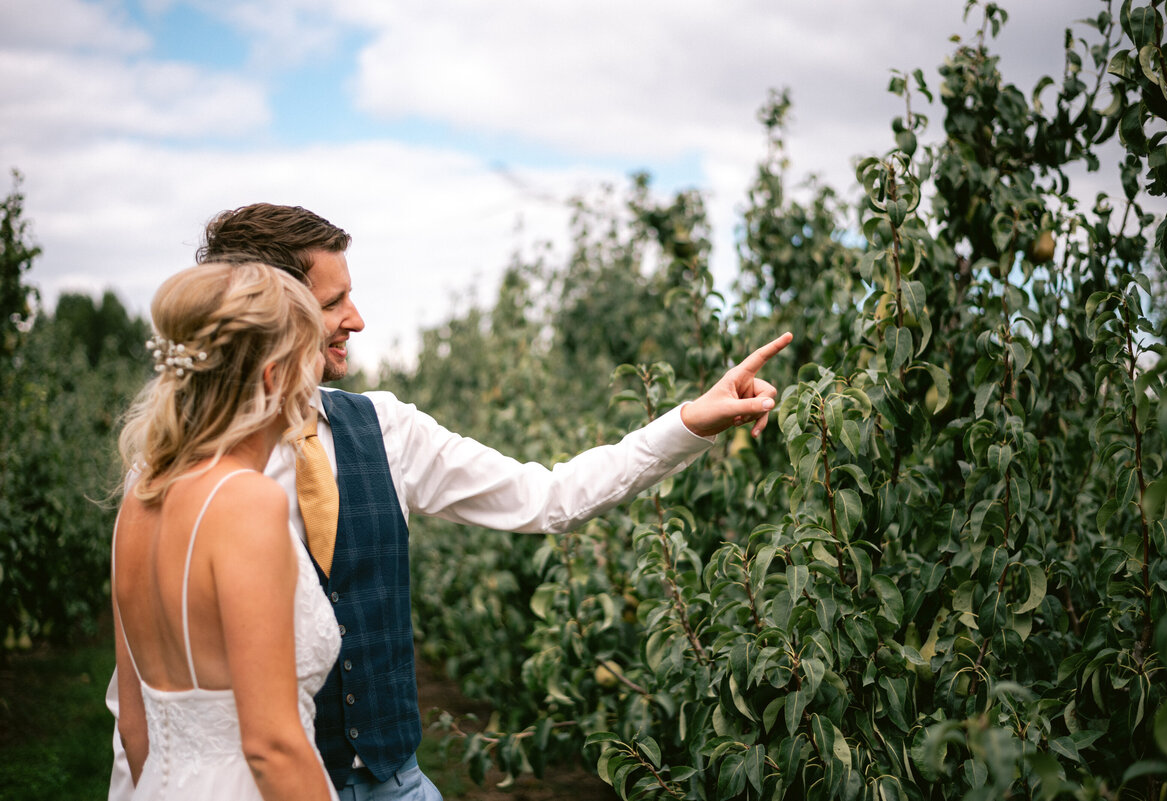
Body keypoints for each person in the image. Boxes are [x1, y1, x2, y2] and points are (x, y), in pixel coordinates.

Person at [108, 203, 792, 801]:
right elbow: (141, 704)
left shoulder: (385, 427)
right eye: (333, 301)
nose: (358, 318)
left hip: (393, 780)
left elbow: (547, 496)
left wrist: (687, 423)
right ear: (271, 317)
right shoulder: (181, 484)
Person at [109, 261, 340, 800]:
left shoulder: (140, 502)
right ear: (272, 377)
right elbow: (271, 746)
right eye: (308, 364)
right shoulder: (245, 501)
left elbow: (133, 726)